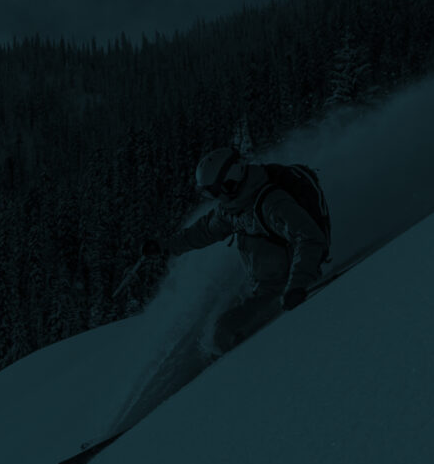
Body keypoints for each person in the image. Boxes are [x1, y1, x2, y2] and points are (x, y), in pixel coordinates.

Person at [142, 145, 332, 351]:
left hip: (284, 289)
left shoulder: (271, 204)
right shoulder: (233, 209)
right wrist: (164, 246)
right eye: (207, 194)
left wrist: (297, 285)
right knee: (217, 317)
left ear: (230, 182)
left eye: (213, 192)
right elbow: (204, 231)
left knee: (221, 333)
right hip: (265, 284)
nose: (213, 198)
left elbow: (309, 238)